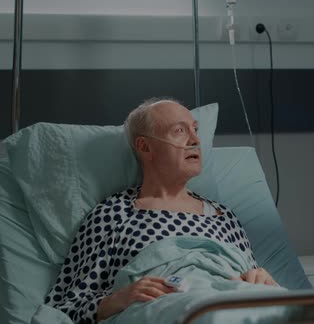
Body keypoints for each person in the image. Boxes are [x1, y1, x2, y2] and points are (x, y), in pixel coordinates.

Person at [44, 98, 278, 323]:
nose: (195, 140)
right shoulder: (113, 214)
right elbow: (67, 308)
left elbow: (252, 278)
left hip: (237, 300)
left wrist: (264, 281)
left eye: (195, 129)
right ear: (145, 147)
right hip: (170, 305)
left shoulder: (224, 217)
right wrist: (119, 299)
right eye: (179, 131)